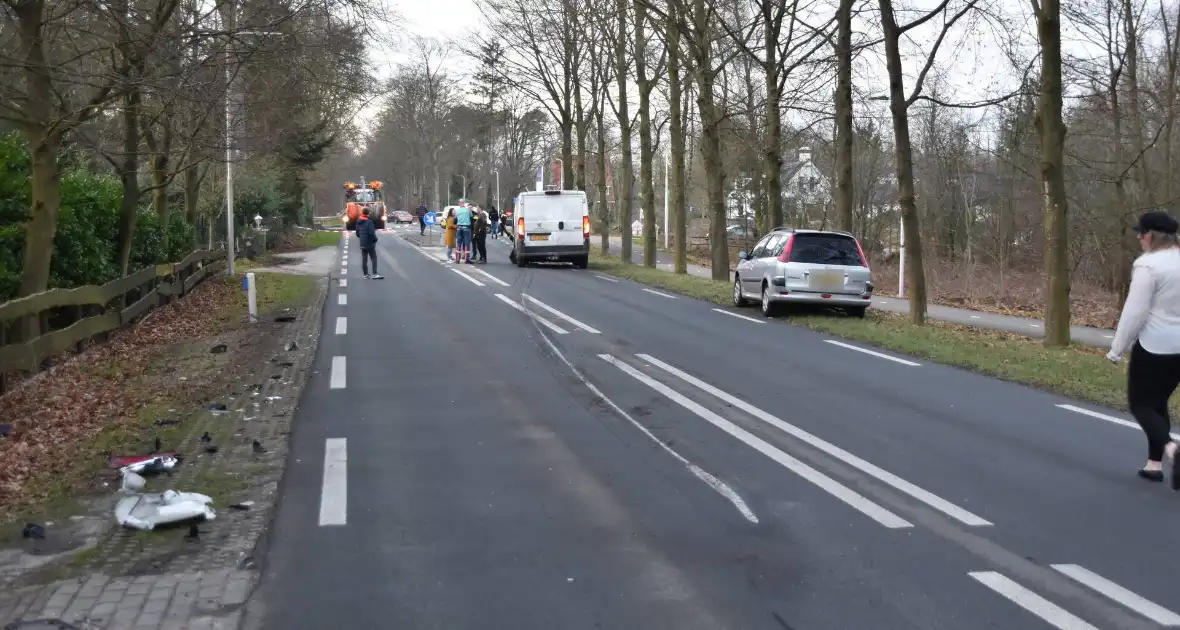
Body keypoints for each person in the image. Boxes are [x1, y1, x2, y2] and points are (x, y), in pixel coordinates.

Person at [1107, 210, 1180, 487]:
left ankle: (1173, 451)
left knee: (1141, 404)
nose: (1138, 237)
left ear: (1150, 236)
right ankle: (1153, 465)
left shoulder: (1148, 265)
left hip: (1155, 346)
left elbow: (1135, 312)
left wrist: (1118, 348)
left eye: (1140, 233)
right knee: (1158, 402)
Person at [355, 208, 383, 279]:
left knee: (364, 259)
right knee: (374, 257)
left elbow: (357, 233)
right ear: (368, 213)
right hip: (369, 243)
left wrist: (362, 238)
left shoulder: (358, 221)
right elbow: (371, 233)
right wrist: (375, 240)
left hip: (362, 243)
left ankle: (365, 275)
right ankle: (375, 274)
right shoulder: (369, 222)